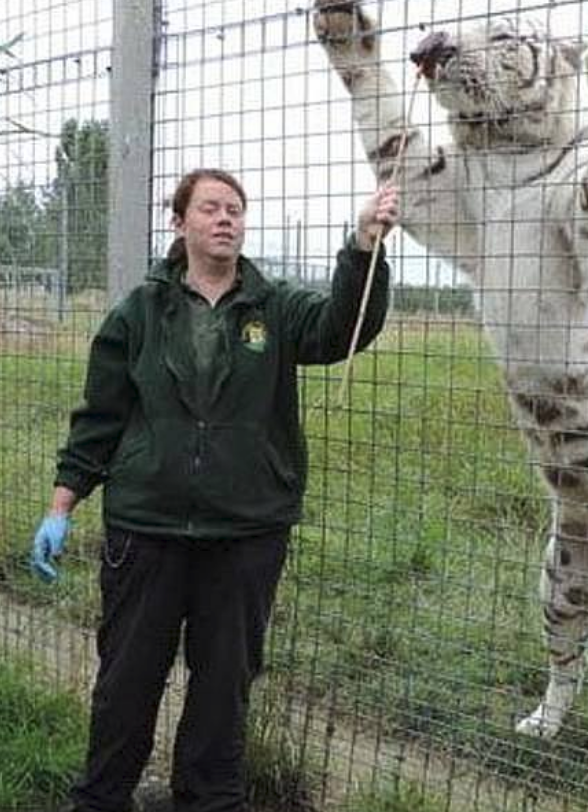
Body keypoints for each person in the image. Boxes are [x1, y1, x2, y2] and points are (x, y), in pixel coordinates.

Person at [30, 168, 400, 812]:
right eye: (210, 208)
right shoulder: (139, 313)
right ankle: (102, 798)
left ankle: (208, 801)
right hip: (147, 530)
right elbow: (99, 419)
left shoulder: (275, 308)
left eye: (235, 208)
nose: (226, 218)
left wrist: (363, 245)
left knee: (223, 687)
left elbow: (342, 328)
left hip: (245, 533)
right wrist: (62, 505)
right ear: (180, 224)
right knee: (127, 680)